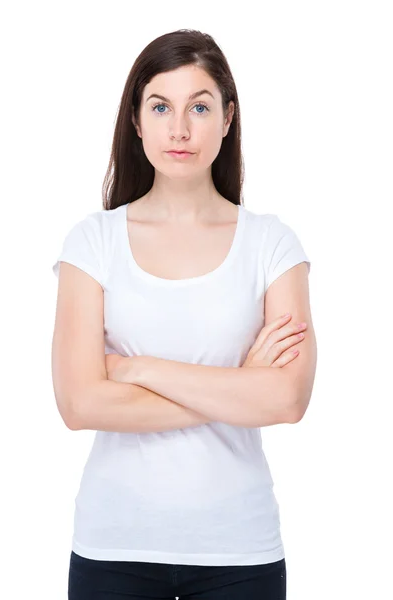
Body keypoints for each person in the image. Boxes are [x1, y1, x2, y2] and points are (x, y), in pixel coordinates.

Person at [52, 28, 316, 600]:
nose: (179, 128)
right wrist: (238, 386)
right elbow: (79, 404)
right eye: (161, 106)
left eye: (199, 106)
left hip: (240, 551)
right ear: (136, 120)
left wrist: (134, 368)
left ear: (226, 119)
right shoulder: (92, 243)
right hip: (113, 548)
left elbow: (286, 400)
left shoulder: (272, 245)